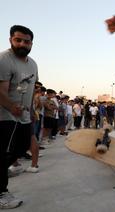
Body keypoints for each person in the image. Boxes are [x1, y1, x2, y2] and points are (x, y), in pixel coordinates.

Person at [0, 25, 38, 209]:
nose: (22, 43)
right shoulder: (4, 59)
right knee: (4, 153)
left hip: (23, 116)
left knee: (22, 148)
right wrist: (11, 107)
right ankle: (1, 193)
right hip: (5, 116)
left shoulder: (33, 64)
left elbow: (30, 91)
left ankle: (4, 170)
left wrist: (30, 113)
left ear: (32, 43)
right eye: (18, 40)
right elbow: (1, 91)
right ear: (10, 40)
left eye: (27, 41)